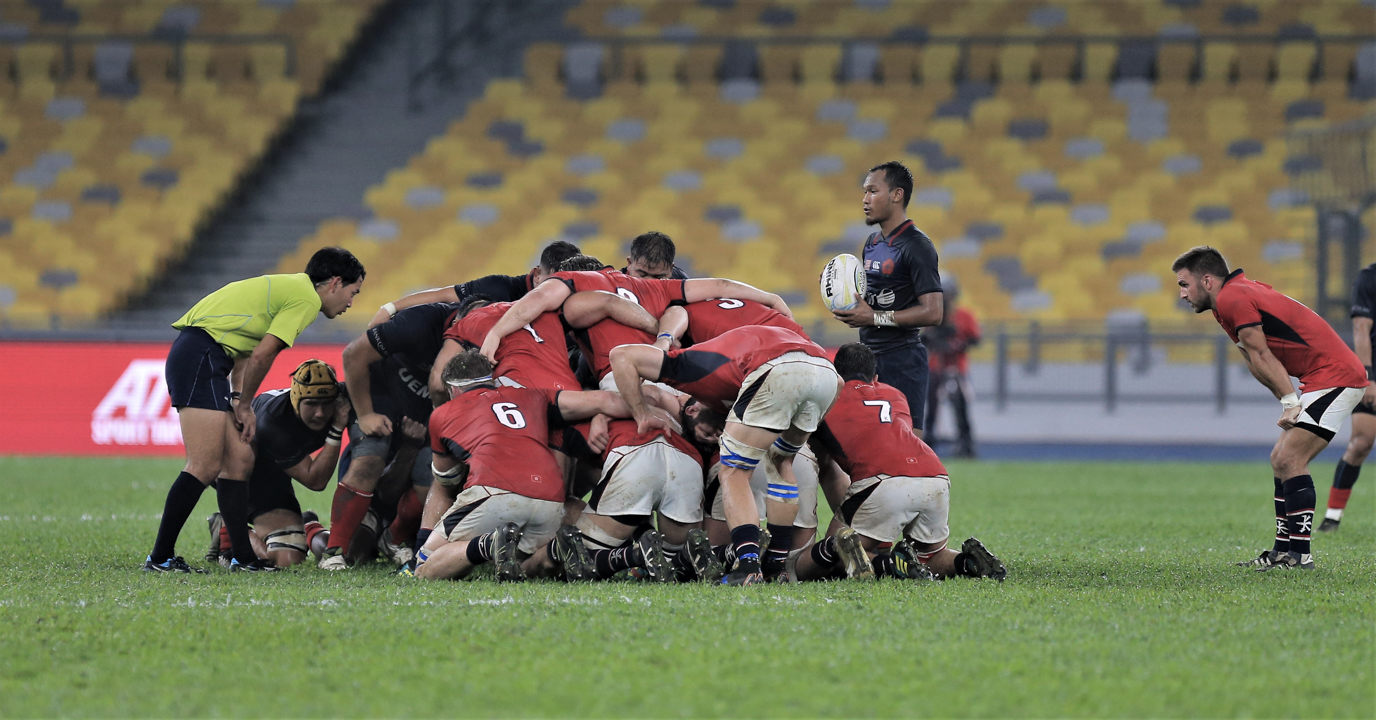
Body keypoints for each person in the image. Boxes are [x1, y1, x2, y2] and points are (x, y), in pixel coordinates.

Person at [144, 247, 364, 573]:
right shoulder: (305, 299)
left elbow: (244, 350)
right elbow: (263, 355)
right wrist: (245, 405)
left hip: (206, 356)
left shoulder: (290, 289)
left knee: (240, 460)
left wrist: (236, 399)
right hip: (201, 357)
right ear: (334, 283)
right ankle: (160, 557)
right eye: (352, 292)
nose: (350, 302)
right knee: (204, 465)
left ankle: (243, 557)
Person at [1174, 246, 1366, 570]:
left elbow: (1262, 354)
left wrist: (1290, 401)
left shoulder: (1234, 297)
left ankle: (1300, 556)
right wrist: (1287, 400)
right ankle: (1281, 552)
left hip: (1338, 377)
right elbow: (1254, 359)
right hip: (1320, 378)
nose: (1181, 294)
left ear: (1206, 280)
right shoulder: (1227, 302)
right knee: (1280, 458)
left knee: (1291, 457)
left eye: (1183, 284)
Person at [608, 325, 841, 585]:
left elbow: (621, 355)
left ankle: (749, 565)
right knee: (781, 461)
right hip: (826, 372)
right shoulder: (732, 357)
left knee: (733, 471)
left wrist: (642, 415)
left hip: (776, 368)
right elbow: (838, 382)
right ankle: (776, 567)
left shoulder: (685, 363)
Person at [414, 350, 663, 581]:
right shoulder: (533, 394)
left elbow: (446, 479)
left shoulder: (442, 413)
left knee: (424, 566)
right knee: (524, 565)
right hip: (551, 500)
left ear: (453, 389)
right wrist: (652, 414)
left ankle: (488, 544)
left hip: (494, 489)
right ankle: (556, 551)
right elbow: (606, 400)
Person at [792, 343, 1005, 582]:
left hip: (885, 480)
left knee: (825, 562)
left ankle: (890, 563)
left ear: (836, 374)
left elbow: (819, 462)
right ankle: (966, 562)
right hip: (935, 475)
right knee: (930, 557)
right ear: (875, 377)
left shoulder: (827, 395)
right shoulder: (895, 394)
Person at [478, 256, 791, 391]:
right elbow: (720, 285)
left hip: (621, 376)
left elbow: (533, 303)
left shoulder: (573, 283)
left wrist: (495, 333)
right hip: (666, 369)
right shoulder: (654, 286)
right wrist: (770, 297)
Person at [321, 301, 458, 569]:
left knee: (435, 479)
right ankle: (332, 549)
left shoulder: (481, 337)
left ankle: (395, 538)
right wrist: (364, 415)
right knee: (358, 550)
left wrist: (411, 447)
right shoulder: (418, 324)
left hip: (421, 426)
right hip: (381, 405)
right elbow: (354, 353)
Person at [205, 360, 353, 567]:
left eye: (327, 403)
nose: (320, 412)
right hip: (239, 473)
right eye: (311, 404)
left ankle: (306, 523)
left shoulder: (343, 396)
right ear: (296, 399)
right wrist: (337, 427)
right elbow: (315, 480)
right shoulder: (274, 422)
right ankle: (229, 532)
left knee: (291, 553)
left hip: (274, 467)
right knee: (286, 558)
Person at [832, 161, 943, 437]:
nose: (865, 200)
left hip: (902, 359)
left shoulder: (917, 246)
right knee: (859, 443)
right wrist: (837, 288)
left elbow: (933, 312)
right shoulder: (872, 243)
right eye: (865, 192)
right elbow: (872, 298)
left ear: (897, 195)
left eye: (872, 191)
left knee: (905, 446)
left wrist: (873, 317)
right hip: (866, 359)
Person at [367, 241, 582, 327]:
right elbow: (441, 295)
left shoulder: (577, 301)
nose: (558, 291)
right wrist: (390, 308)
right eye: (553, 281)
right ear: (536, 275)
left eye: (566, 284)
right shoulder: (500, 288)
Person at [1323, 262, 1376, 531]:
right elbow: (1361, 330)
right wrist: (1368, 377)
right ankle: (1333, 516)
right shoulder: (1370, 277)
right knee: (1361, 442)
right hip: (1374, 372)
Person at [923, 273, 980, 458]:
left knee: (959, 405)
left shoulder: (963, 315)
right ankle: (927, 442)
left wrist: (958, 344)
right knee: (931, 406)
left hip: (957, 366)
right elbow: (923, 338)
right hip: (935, 365)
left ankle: (965, 443)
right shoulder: (931, 314)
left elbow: (975, 339)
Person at [620, 230, 689, 280]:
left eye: (658, 277)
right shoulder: (614, 286)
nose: (649, 284)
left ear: (671, 269)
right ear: (630, 263)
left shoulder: (682, 284)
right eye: (642, 275)